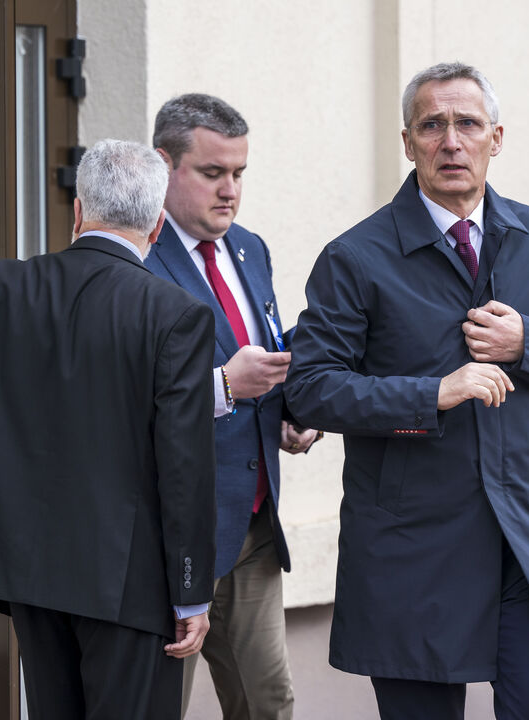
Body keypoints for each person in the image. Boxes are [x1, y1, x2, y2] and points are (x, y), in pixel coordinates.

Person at [283, 62, 529, 720]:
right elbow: (312, 390)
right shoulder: (356, 258)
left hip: (524, 533)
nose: (451, 141)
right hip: (415, 546)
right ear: (407, 142)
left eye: (467, 124)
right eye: (432, 125)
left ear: (496, 138)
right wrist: (431, 393)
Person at [0, 139, 216, 719]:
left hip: (29, 570)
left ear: (76, 211)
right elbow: (184, 464)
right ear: (158, 224)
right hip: (132, 581)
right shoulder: (175, 312)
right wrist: (191, 589)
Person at [145, 93, 317, 720]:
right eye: (212, 173)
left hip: (252, 529)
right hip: (168, 539)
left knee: (267, 704)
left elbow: (265, 360)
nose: (230, 191)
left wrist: (292, 412)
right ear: (164, 166)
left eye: (239, 174)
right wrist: (222, 384)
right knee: (158, 706)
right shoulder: (135, 259)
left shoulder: (251, 249)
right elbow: (119, 399)